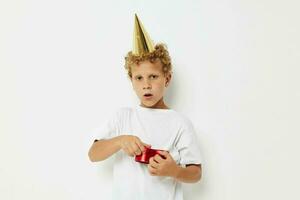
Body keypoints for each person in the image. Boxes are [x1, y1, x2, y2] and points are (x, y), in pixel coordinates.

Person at [88, 14, 203, 200]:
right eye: (139, 78)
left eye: (153, 76)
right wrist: (119, 141)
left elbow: (196, 173)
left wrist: (174, 171)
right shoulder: (123, 117)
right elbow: (93, 154)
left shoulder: (180, 123)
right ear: (131, 82)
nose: (146, 85)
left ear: (167, 78)